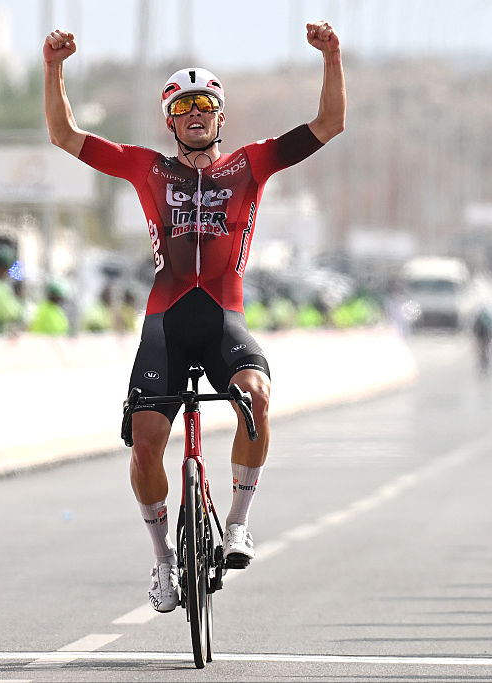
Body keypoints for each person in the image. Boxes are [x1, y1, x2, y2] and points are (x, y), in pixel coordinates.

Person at [44, 20, 345, 613]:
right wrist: (53, 68)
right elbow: (64, 135)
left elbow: (330, 124)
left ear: (221, 117)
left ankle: (237, 525)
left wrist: (332, 58)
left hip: (224, 318)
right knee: (147, 442)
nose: (197, 113)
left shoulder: (251, 165)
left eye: (207, 104)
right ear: (171, 120)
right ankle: (162, 564)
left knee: (256, 398)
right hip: (166, 323)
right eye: (185, 107)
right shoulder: (147, 168)